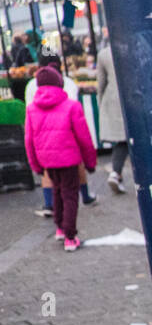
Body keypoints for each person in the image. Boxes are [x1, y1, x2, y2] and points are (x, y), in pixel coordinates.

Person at [25, 67, 96, 251]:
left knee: (57, 192)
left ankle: (59, 228)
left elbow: (29, 140)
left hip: (47, 160)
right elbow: (84, 136)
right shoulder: (72, 105)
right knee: (70, 195)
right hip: (69, 159)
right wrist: (90, 161)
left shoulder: (32, 108)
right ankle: (70, 237)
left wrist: (35, 165)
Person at [96, 32, 130, 195]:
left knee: (122, 141)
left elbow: (100, 84)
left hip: (114, 100)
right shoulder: (133, 48)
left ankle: (116, 173)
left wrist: (101, 103)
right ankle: (143, 179)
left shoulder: (104, 54)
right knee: (135, 140)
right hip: (135, 99)